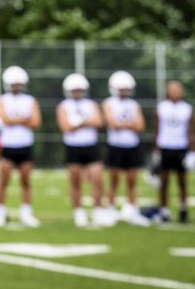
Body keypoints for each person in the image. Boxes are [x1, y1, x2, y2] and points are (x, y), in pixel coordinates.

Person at [57, 74, 113, 227]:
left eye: (79, 90)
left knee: (97, 179)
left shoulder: (91, 104)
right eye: (74, 90)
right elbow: (66, 127)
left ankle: (97, 211)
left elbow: (99, 121)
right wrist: (84, 123)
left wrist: (80, 123)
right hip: (73, 147)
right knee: (75, 181)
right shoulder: (64, 106)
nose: (77, 93)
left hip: (90, 146)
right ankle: (79, 212)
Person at [0, 66, 41, 227]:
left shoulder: (30, 100)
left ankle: (26, 213)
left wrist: (15, 120)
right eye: (14, 84)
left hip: (25, 145)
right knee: (4, 180)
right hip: (8, 145)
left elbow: (35, 122)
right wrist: (23, 119)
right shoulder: (1, 100)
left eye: (19, 84)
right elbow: (4, 119)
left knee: (26, 181)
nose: (16, 86)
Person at [102, 70, 149, 225]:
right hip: (115, 145)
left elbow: (140, 125)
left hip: (132, 145)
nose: (124, 91)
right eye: (121, 88)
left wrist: (123, 124)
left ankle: (132, 210)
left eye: (126, 88)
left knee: (131, 180)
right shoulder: (109, 103)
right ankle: (110, 209)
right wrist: (130, 124)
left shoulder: (134, 104)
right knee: (114, 179)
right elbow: (112, 123)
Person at [155, 80, 195, 223]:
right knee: (164, 181)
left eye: (179, 89)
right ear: (168, 91)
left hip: (181, 147)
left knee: (182, 181)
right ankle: (164, 211)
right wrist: (156, 151)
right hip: (166, 147)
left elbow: (191, 131)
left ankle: (183, 209)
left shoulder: (187, 108)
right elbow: (157, 130)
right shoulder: (161, 108)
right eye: (173, 90)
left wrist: (191, 152)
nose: (177, 92)